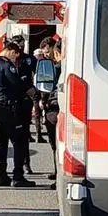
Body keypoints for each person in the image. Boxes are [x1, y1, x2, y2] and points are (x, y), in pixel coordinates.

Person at [0, 39, 35, 188]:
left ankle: (1, 176)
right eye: (15, 57)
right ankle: (18, 176)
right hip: (7, 107)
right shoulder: (7, 65)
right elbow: (17, 85)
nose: (15, 60)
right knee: (20, 141)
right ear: (12, 52)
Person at [9, 34, 37, 175]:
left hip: (25, 101)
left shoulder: (29, 59)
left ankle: (25, 164)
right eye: (17, 44)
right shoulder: (6, 61)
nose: (20, 46)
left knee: (24, 135)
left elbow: (38, 76)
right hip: (9, 102)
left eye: (22, 44)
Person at [38, 37, 63, 189]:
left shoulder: (54, 68)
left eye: (50, 52)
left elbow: (45, 89)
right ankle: (57, 173)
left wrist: (42, 102)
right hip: (59, 109)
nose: (48, 55)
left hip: (53, 109)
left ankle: (58, 177)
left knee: (56, 145)